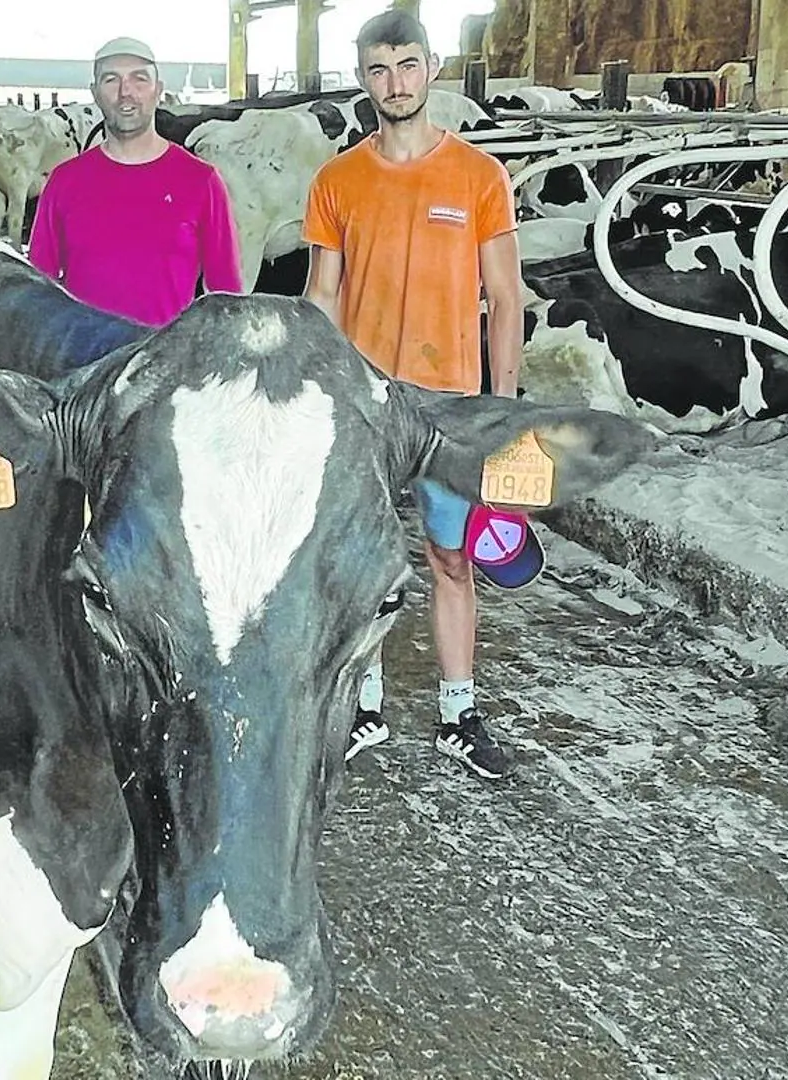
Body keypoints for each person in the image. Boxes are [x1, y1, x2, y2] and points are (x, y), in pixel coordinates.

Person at [301, 9, 525, 781]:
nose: (393, 84)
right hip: (363, 404)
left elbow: (506, 298)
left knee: (450, 558)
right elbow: (321, 295)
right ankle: (363, 706)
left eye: (406, 66)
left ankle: (458, 712)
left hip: (449, 408)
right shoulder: (337, 180)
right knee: (361, 560)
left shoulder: (477, 176)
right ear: (362, 80)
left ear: (431, 69)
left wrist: (505, 406)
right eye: (377, 70)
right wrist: (316, 390)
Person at [26, 36, 244, 327]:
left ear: (158, 90)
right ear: (95, 92)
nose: (125, 92)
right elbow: (38, 292)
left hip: (164, 362)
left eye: (139, 79)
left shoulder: (201, 181)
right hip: (81, 365)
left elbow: (226, 297)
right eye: (111, 80)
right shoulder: (64, 182)